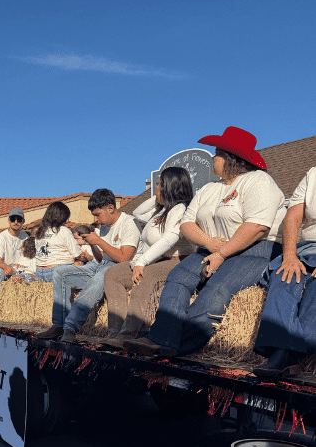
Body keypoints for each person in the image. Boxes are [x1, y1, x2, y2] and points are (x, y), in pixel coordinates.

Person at [123, 126, 286, 358]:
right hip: (210, 248)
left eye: (217, 152)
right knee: (178, 278)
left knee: (218, 287)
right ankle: (161, 338)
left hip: (257, 249)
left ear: (232, 159)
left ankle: (180, 345)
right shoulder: (209, 188)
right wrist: (211, 244)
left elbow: (258, 226)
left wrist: (222, 253)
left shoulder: (259, 181)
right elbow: (187, 223)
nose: (213, 157)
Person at [98, 167, 194, 349]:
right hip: (157, 260)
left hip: (177, 260)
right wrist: (158, 197)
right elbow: (138, 213)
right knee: (113, 274)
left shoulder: (180, 209)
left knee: (144, 277)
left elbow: (169, 239)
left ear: (169, 186)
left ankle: (129, 334)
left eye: (159, 184)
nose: (155, 186)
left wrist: (141, 262)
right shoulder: (161, 210)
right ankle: (115, 333)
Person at [38, 188, 140, 343]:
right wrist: (92, 244)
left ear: (110, 208)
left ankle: (70, 327)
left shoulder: (129, 223)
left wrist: (98, 241)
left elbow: (124, 258)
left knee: (102, 274)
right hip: (101, 264)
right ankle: (58, 324)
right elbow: (101, 259)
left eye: (97, 214)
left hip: (120, 268)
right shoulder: (105, 226)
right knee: (60, 272)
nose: (95, 219)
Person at [253, 166, 316, 378]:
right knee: (284, 274)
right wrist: (289, 254)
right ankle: (281, 351)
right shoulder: (313, 175)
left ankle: (291, 354)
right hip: (308, 247)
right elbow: (292, 218)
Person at [0, 208, 28, 321]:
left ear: (23, 221)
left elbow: (29, 258)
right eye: (13, 219)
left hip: (19, 270)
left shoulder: (26, 237)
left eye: (19, 219)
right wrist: (6, 267)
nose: (16, 222)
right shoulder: (1, 237)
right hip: (3, 269)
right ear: (9, 221)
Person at [33, 201, 82, 282]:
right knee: (84, 266)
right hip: (57, 271)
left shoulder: (40, 232)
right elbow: (77, 254)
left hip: (39, 272)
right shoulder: (63, 230)